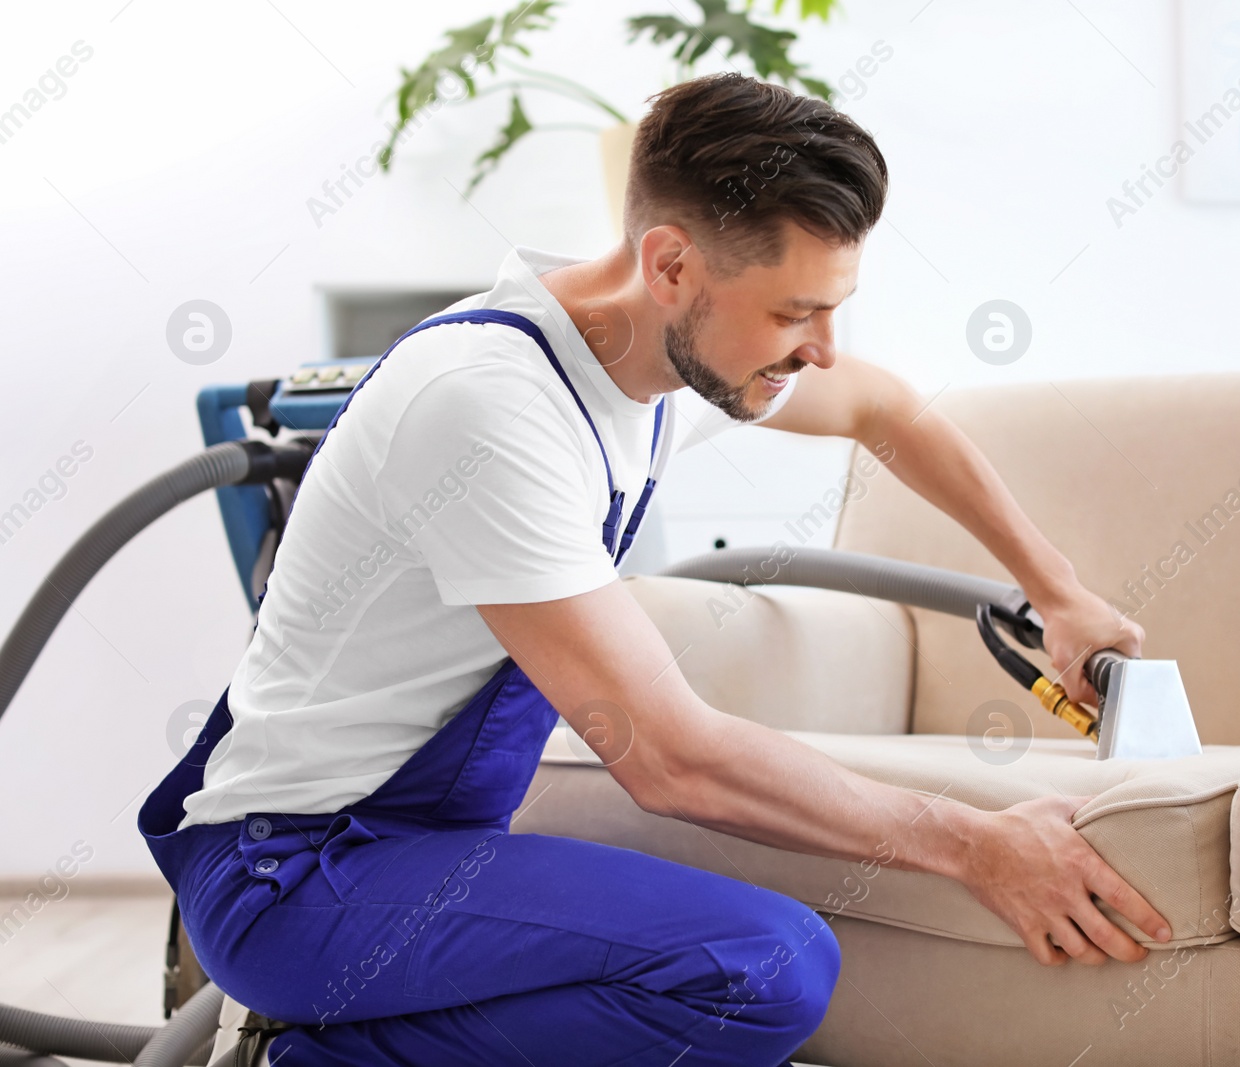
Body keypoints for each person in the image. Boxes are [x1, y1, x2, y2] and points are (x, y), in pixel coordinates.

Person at [138, 71, 1168, 1066]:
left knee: (753, 955)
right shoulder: (491, 407)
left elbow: (880, 406)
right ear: (670, 263)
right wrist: (977, 843)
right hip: (298, 873)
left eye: (832, 307)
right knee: (763, 965)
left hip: (413, 849)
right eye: (794, 311)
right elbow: (668, 756)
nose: (819, 347)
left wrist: (1058, 590)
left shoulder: (653, 359)